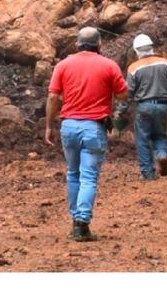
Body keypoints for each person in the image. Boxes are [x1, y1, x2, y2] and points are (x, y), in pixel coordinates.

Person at [45, 27, 128, 241]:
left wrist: (48, 126)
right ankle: (82, 223)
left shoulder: (63, 65)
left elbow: (53, 97)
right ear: (99, 44)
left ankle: (76, 220)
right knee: (88, 177)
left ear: (77, 44)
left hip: (69, 126)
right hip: (94, 127)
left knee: (73, 173)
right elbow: (122, 95)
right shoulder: (109, 65)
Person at [122, 33, 167, 180]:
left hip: (144, 107)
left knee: (143, 139)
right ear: (151, 47)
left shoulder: (134, 68)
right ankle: (162, 154)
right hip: (163, 106)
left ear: (136, 51)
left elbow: (129, 92)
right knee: (160, 135)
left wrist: (121, 110)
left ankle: (147, 173)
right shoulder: (164, 62)